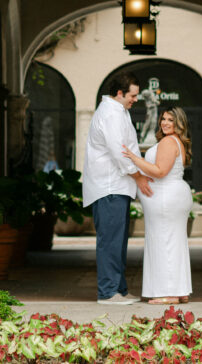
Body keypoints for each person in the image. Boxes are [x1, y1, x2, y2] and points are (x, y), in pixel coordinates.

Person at [82, 72, 154, 305]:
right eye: (133, 95)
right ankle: (108, 292)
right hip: (109, 186)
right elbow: (119, 153)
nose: (135, 100)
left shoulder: (119, 112)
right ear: (120, 93)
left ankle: (119, 289)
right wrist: (139, 177)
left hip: (117, 186)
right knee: (111, 241)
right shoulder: (111, 115)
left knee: (118, 241)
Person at [121, 106, 193, 305]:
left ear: (179, 122)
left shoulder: (169, 141)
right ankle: (180, 290)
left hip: (166, 197)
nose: (165, 123)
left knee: (163, 242)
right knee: (174, 242)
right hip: (172, 195)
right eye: (163, 119)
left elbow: (160, 171)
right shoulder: (176, 141)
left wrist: (135, 159)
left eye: (170, 120)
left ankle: (168, 293)